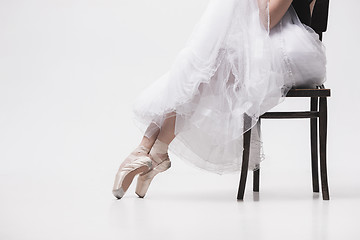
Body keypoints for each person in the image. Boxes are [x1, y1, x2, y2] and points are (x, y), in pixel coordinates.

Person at [112, 0, 326, 199]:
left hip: (295, 53)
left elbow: (267, 20)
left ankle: (150, 150)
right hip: (273, 44)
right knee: (207, 65)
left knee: (213, 67)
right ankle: (155, 151)